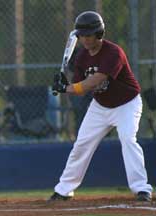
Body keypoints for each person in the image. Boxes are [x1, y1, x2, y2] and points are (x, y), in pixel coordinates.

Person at [50, 11, 153, 202]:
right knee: (82, 144)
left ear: (99, 33)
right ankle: (64, 190)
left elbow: (95, 81)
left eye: (89, 35)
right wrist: (66, 87)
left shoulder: (113, 52)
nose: (85, 39)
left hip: (127, 104)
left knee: (128, 139)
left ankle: (142, 189)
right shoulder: (81, 57)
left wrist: (67, 88)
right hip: (101, 106)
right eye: (82, 35)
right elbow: (80, 89)